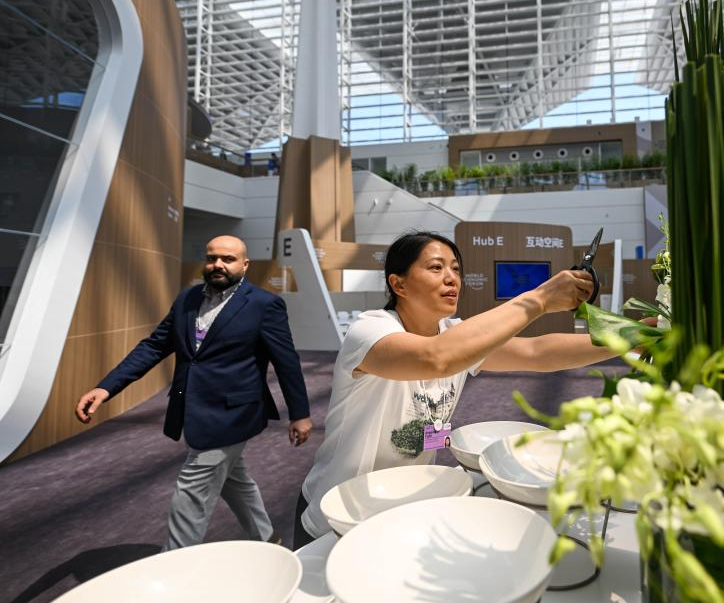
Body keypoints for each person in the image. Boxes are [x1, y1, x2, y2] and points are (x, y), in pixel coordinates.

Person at [295, 231, 620, 546]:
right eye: (436, 268)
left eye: (455, 269)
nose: (452, 278)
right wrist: (539, 299)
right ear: (399, 284)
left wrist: (629, 337)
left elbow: (537, 352)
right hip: (338, 514)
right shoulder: (370, 330)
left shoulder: (453, 333)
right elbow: (435, 358)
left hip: (403, 506)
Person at [75, 235, 313, 551]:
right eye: (212, 258)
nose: (218, 265)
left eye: (227, 259)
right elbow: (154, 346)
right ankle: (268, 539)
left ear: (245, 265)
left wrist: (300, 414)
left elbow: (286, 361)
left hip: (233, 414)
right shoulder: (187, 299)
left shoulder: (263, 305)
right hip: (193, 408)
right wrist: (106, 387)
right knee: (234, 479)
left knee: (191, 491)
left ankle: (175, 564)